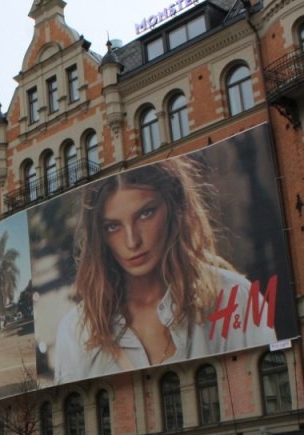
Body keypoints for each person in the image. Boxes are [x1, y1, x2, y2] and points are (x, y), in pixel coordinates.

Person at [52, 156, 277, 383]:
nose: (132, 241)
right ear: (99, 236)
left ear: (174, 207)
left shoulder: (235, 298)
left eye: (145, 213)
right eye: (113, 226)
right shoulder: (75, 333)